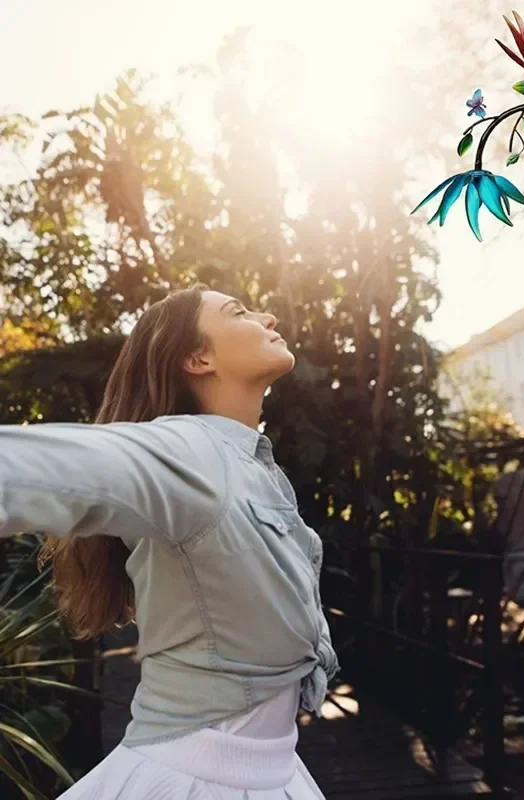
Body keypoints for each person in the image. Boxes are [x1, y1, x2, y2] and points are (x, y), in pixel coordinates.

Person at [0, 284, 339, 799]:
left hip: (273, 771)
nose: (269, 315)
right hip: (196, 779)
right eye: (240, 312)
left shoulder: (248, 465)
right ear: (197, 356)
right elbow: (32, 471)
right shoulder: (191, 452)